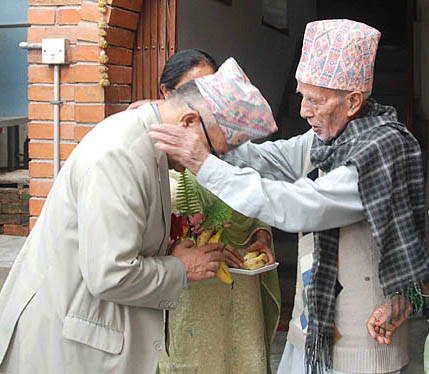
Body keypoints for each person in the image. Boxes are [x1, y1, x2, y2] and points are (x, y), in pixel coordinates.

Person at [149, 19, 429, 374]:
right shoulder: (329, 138)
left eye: (314, 100)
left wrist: (203, 164)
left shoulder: (380, 149)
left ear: (354, 101)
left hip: (364, 341)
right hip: (312, 332)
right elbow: (270, 160)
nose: (303, 111)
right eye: (301, 96)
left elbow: (301, 206)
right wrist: (212, 138)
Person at [0, 57, 277, 374]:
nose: (206, 165)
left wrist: (170, 251)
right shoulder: (119, 155)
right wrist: (181, 268)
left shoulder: (151, 140)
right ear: (187, 122)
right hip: (61, 348)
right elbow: (110, 273)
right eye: (212, 153)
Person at [130, 49, 281, 374]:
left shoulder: (227, 141)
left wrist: (260, 236)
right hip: (185, 294)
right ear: (168, 95)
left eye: (213, 88)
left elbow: (257, 193)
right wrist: (174, 254)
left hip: (238, 282)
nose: (209, 101)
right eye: (195, 91)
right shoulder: (148, 150)